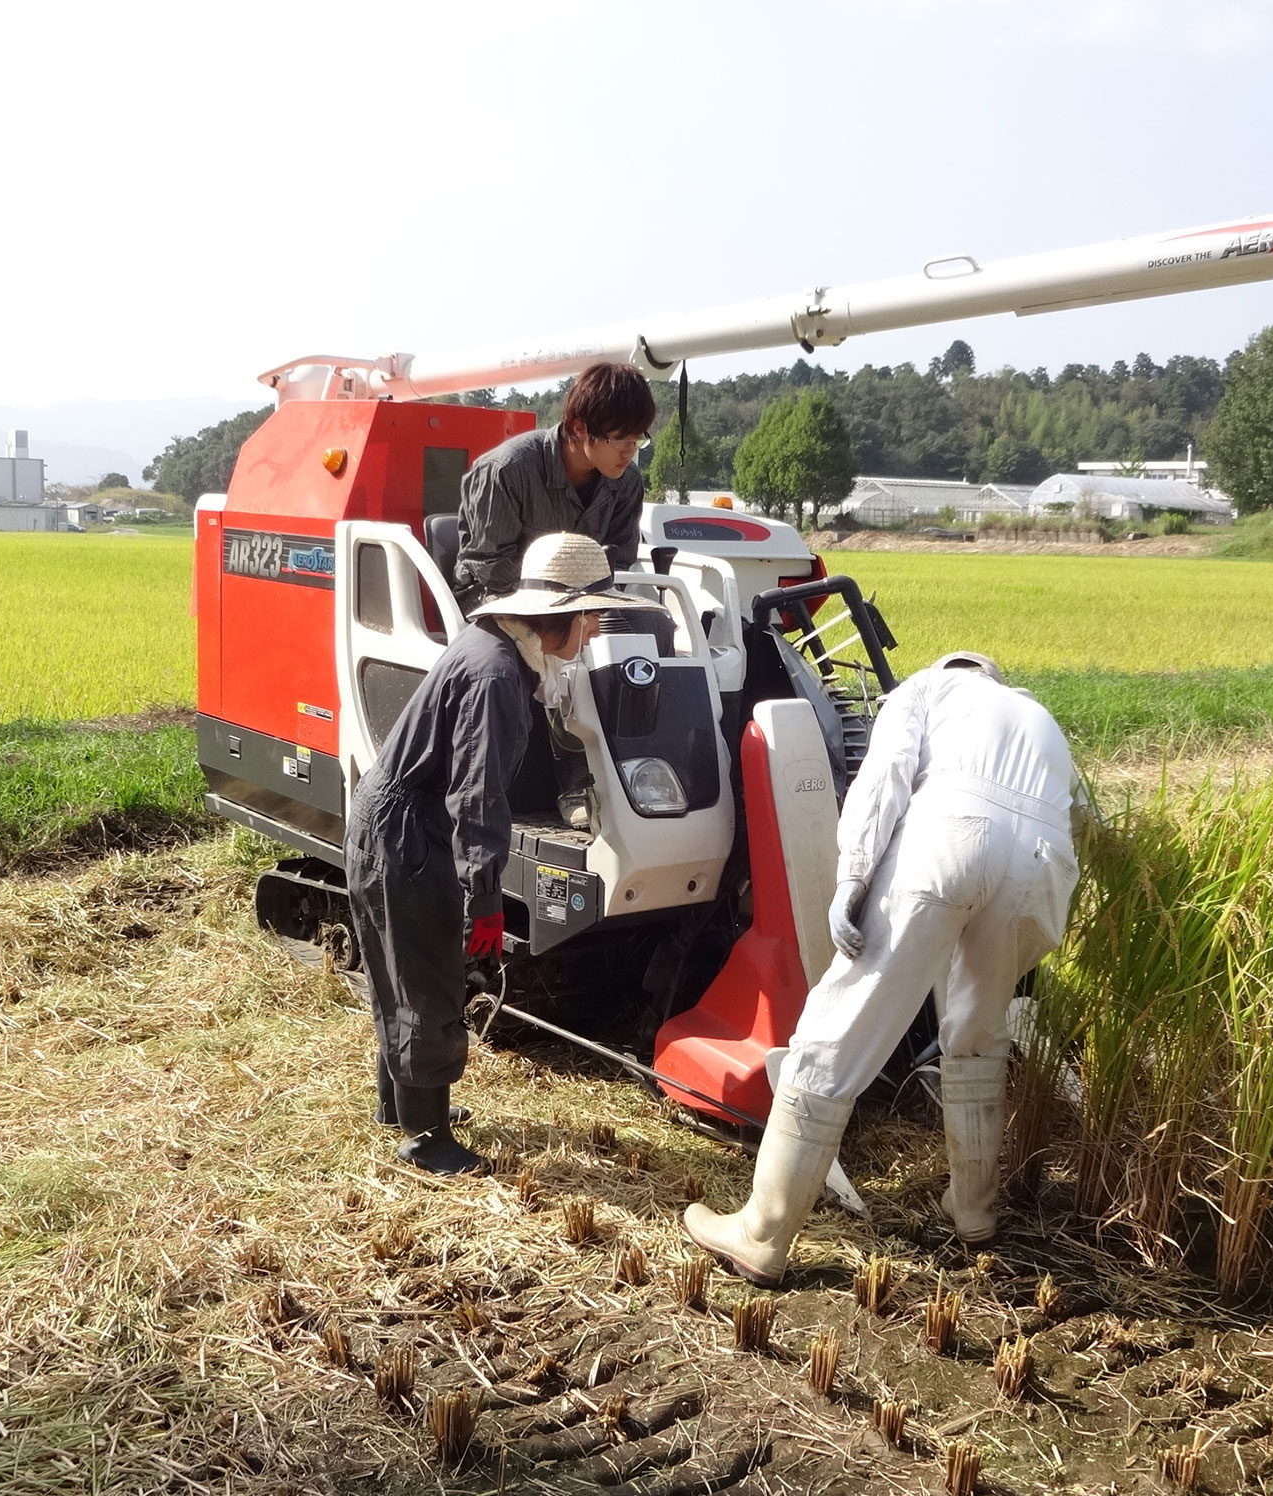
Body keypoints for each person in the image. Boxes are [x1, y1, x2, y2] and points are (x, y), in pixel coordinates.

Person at [682, 652, 1082, 1283]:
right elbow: (1083, 818)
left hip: (949, 842)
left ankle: (761, 1233)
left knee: (835, 1034)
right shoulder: (1039, 716)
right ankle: (974, 1210)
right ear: (994, 677)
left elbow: (884, 779)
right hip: (1042, 868)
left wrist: (853, 875)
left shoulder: (923, 689)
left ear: (949, 666)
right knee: (977, 1032)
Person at [347, 533, 664, 1175]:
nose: (597, 625)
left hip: (401, 819)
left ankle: (402, 1103)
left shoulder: (500, 651)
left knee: (404, 964)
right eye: (593, 614)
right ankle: (425, 1138)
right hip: (405, 831)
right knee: (427, 974)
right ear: (564, 616)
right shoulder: (495, 673)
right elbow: (477, 795)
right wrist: (485, 897)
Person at [453, 363, 656, 604]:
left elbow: (618, 559)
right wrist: (561, 600)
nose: (629, 452)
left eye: (638, 439)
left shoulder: (627, 482)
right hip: (497, 597)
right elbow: (489, 565)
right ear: (579, 427)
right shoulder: (506, 470)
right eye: (620, 440)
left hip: (583, 602)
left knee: (657, 626)